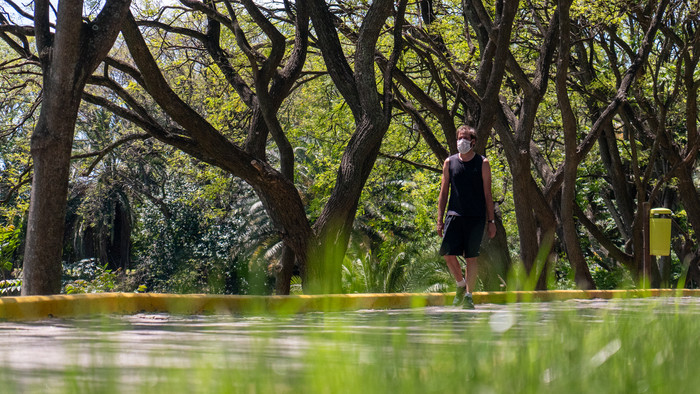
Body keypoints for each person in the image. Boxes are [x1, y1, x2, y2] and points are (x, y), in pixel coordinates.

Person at [436, 125, 496, 308]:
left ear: (473, 141)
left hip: (475, 217)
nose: (461, 141)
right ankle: (460, 284)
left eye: (465, 138)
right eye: (459, 138)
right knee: (447, 253)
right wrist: (439, 220)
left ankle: (469, 295)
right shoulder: (449, 162)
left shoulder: (482, 163)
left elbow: (488, 194)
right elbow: (444, 192)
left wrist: (491, 221)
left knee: (471, 257)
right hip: (454, 215)